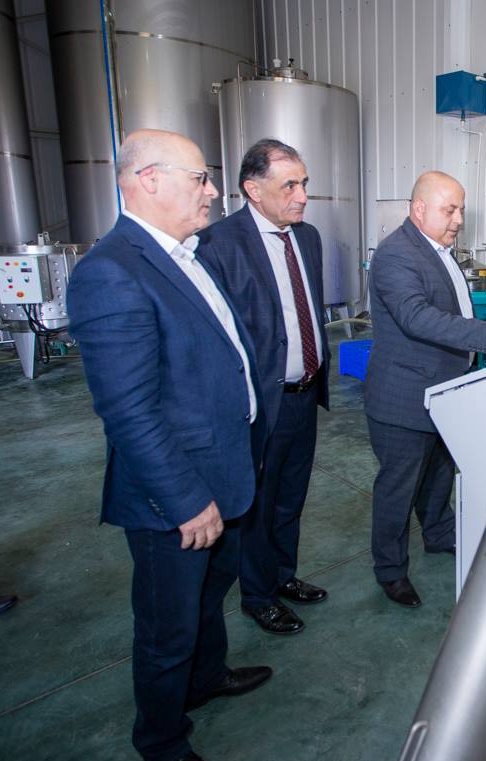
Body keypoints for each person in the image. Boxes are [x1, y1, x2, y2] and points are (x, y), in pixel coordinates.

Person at [68, 129, 271, 761]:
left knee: (210, 596)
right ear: (149, 180)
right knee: (168, 627)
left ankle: (206, 678)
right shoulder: (111, 272)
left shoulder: (187, 254)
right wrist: (186, 501)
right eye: (200, 178)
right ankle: (161, 743)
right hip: (175, 496)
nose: (212, 191)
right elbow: (128, 412)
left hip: (223, 470)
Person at [364, 171, 486, 608]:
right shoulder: (396, 255)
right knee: (398, 488)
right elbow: (417, 317)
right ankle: (390, 570)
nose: (458, 220)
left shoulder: (440, 251)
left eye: (461, 210)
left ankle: (438, 533)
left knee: (439, 474)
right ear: (419, 209)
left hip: (444, 393)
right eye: (449, 210)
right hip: (404, 398)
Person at [198, 139, 330, 636]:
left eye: (304, 184)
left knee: (291, 496)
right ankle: (257, 595)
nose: (302, 196)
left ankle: (282, 574)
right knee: (257, 504)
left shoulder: (307, 237)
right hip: (259, 403)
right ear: (253, 190)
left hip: (304, 393)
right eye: (290, 185)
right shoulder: (219, 244)